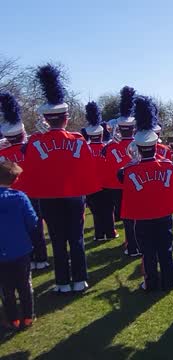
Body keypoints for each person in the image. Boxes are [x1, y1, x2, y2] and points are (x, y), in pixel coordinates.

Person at [19, 64, 101, 293]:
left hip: (48, 198)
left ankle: (62, 283)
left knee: (57, 240)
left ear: (46, 118)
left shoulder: (35, 143)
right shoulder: (77, 140)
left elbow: (30, 167)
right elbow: (87, 167)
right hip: (74, 196)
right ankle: (80, 279)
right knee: (76, 239)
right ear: (66, 119)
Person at [118, 96, 173, 291]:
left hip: (143, 217)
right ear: (156, 146)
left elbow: (120, 177)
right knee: (166, 249)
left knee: (147, 252)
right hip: (164, 215)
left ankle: (151, 282)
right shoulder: (167, 166)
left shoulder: (129, 170)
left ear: (138, 147)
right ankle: (170, 280)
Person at [0, 92, 49, 271]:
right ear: (22, 132)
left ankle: (29, 258)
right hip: (32, 192)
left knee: (18, 230)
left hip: (9, 195)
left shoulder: (3, 154)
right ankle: (41, 258)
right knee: (36, 227)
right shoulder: (30, 147)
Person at [0, 161, 37, 329]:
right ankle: (28, 316)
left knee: (6, 289)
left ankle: (13, 318)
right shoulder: (20, 197)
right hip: (21, 248)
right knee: (24, 285)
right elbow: (32, 221)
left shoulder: (19, 196)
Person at [102, 86, 138, 256]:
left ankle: (131, 244)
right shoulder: (141, 144)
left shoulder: (110, 148)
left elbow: (108, 168)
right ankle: (136, 243)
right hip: (139, 184)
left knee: (127, 218)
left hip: (118, 185)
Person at [83, 101, 117, 242]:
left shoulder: (85, 149)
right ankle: (110, 233)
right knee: (108, 210)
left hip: (91, 185)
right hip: (107, 184)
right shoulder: (107, 148)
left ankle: (99, 234)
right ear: (102, 134)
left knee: (96, 212)